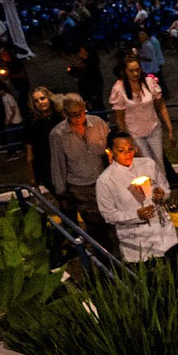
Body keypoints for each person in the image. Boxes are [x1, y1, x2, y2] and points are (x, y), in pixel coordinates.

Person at [95, 131, 178, 265]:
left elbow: (165, 188)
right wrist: (136, 215)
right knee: (150, 282)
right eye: (121, 150)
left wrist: (162, 194)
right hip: (137, 241)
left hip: (165, 233)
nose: (127, 154)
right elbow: (109, 215)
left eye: (130, 149)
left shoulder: (148, 164)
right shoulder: (105, 180)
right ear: (110, 152)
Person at [50, 95, 114, 250]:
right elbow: (58, 165)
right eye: (73, 114)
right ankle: (105, 258)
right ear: (65, 113)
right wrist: (62, 193)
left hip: (103, 182)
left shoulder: (98, 124)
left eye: (81, 112)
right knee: (95, 225)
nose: (79, 117)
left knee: (111, 220)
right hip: (80, 187)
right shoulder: (58, 135)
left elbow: (112, 146)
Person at [109, 53, 175, 175]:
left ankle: (163, 189)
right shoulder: (119, 89)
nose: (135, 74)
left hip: (153, 128)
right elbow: (120, 119)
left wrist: (170, 128)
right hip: (135, 133)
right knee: (146, 163)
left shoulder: (149, 82)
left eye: (137, 70)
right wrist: (128, 141)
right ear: (124, 72)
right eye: (131, 71)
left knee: (159, 163)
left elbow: (161, 106)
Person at [24, 87, 62, 192]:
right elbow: (29, 149)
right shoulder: (32, 122)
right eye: (36, 101)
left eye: (42, 98)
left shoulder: (60, 116)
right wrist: (32, 175)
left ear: (49, 98)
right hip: (45, 164)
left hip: (63, 161)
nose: (40, 102)